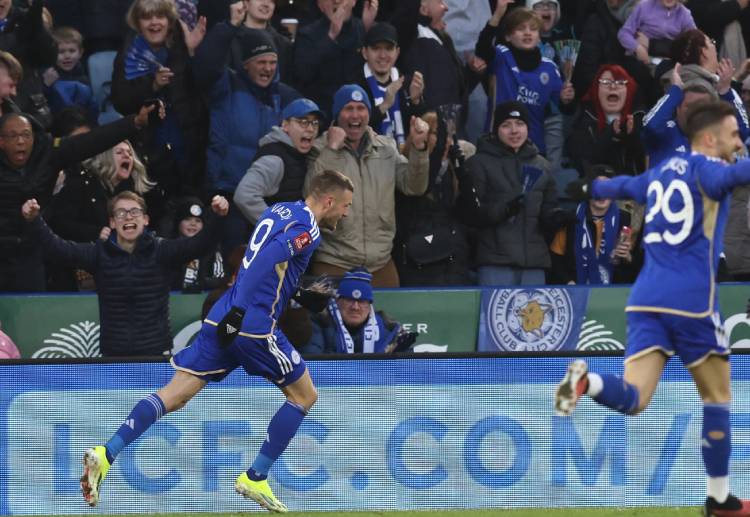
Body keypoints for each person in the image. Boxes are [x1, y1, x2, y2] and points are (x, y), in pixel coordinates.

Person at [77, 169, 353, 512]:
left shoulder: (280, 210)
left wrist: (295, 290)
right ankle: (256, 476)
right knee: (304, 395)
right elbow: (267, 259)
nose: (346, 213)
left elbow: (265, 262)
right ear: (329, 200)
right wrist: (241, 311)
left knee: (173, 396)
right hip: (251, 324)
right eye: (345, 205)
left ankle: (106, 454)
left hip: (222, 316)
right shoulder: (308, 228)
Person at [555, 99, 750, 517]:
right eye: (735, 135)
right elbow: (740, 172)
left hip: (644, 301)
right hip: (691, 302)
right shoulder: (709, 171)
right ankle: (719, 500)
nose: (740, 142)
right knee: (717, 397)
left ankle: (584, 382)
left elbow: (622, 185)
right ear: (710, 139)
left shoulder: (660, 173)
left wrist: (593, 188)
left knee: (635, 398)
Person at [22, 191, 229, 356]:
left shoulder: (161, 250)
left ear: (146, 219)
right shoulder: (99, 254)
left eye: (134, 212)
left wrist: (219, 217)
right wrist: (35, 221)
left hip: (155, 353)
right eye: (121, 213)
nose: (128, 217)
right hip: (113, 354)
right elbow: (59, 249)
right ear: (112, 222)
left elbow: (200, 244)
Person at [0, 105, 157, 292]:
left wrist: (135, 122)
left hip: (31, 252)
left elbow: (92, 141)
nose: (20, 141)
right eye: (13, 136)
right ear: (1, 142)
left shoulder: (49, 153)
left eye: (26, 135)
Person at [194, 14, 299, 254]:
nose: (268, 68)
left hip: (268, 200)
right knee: (235, 262)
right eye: (261, 62)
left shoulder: (284, 96)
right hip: (227, 193)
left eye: (272, 62)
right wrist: (228, 27)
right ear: (246, 64)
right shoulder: (226, 86)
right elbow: (204, 66)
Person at [306, 83, 429, 287]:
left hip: (381, 264)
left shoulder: (386, 148)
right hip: (334, 263)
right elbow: (313, 201)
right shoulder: (320, 149)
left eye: (361, 108)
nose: (356, 115)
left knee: (389, 319)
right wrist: (332, 151)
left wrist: (418, 149)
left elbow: (414, 186)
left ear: (369, 114)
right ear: (337, 114)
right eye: (349, 108)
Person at [463, 101, 564, 286]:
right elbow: (471, 215)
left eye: (520, 124)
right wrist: (505, 209)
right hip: (495, 263)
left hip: (534, 264)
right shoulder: (478, 163)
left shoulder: (542, 165)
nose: (514, 131)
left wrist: (556, 218)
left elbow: (548, 209)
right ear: (496, 129)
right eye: (506, 125)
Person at [642, 59, 749, 167]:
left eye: (702, 107)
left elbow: (745, 137)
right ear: (677, 108)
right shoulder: (664, 132)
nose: (695, 111)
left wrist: (725, 91)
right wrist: (675, 90)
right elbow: (650, 124)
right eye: (690, 106)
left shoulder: (717, 140)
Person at [234, 98, 324, 226]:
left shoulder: (304, 154)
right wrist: (278, 226)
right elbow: (244, 195)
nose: (310, 129)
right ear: (285, 125)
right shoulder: (274, 159)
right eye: (303, 122)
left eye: (315, 123)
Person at [548, 165, 636, 285]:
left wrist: (627, 257)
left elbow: (635, 263)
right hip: (575, 291)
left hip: (613, 292)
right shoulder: (570, 218)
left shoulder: (624, 219)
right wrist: (568, 282)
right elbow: (556, 259)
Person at [299, 267, 417, 354]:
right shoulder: (319, 322)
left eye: (361, 301)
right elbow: (313, 362)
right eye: (349, 300)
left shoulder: (389, 328)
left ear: (369, 305)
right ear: (337, 301)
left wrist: (398, 352)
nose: (355, 307)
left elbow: (407, 371)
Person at [352, 21, 424, 147]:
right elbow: (353, 127)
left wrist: (415, 101)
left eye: (389, 48)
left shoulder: (407, 83)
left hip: (404, 156)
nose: (383, 55)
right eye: (376, 48)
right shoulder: (355, 87)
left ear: (397, 52)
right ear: (364, 52)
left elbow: (422, 126)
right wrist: (384, 106)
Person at [42, 27, 98, 123]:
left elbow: (92, 109)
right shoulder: (47, 76)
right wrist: (46, 85)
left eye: (72, 51)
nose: (67, 56)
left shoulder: (84, 79)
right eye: (61, 52)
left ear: (80, 53)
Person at [170, 196, 226, 292]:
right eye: (187, 219)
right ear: (178, 223)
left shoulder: (212, 249)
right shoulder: (168, 248)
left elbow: (220, 279)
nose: (193, 224)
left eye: (198, 220)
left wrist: (201, 284)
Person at [617, 0, 696, 65]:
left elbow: (695, 41)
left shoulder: (684, 14)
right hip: (639, 58)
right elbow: (624, 33)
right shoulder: (644, 6)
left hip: (667, 61)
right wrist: (637, 48)